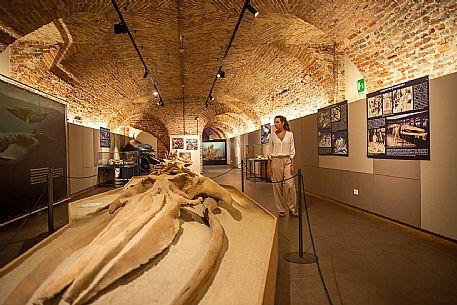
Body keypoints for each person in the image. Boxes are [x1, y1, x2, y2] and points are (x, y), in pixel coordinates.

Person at [267, 115, 298, 217]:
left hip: (287, 161)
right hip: (275, 161)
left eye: (277, 122)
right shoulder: (272, 136)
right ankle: (281, 209)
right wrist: (269, 166)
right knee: (277, 186)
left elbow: (292, 150)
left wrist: (293, 164)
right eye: (274, 122)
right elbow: (270, 152)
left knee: (290, 185)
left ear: (283, 123)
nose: (275, 124)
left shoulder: (290, 135)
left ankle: (292, 208)